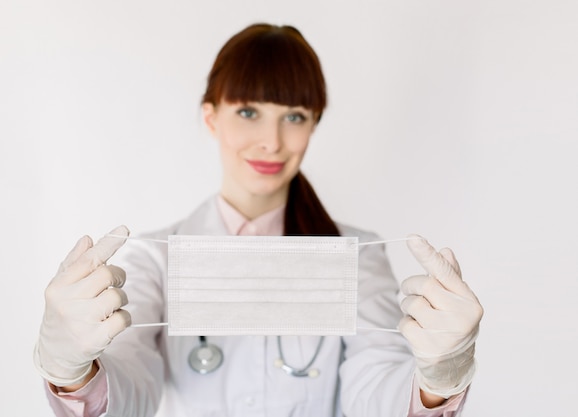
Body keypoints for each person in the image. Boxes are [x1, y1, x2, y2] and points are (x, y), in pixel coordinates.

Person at [34, 23, 483, 417]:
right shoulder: (157, 257)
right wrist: (73, 369)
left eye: (294, 116)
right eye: (248, 112)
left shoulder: (355, 256)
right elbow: (131, 388)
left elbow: (375, 387)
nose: (271, 141)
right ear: (211, 118)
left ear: (314, 124)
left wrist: (436, 378)